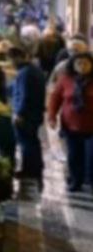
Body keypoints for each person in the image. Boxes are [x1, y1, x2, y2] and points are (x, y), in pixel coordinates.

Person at [48, 51, 93, 192]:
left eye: (86, 63)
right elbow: (55, 98)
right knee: (74, 156)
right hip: (70, 125)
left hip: (91, 126)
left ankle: (90, 181)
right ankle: (76, 181)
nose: (82, 66)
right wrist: (52, 116)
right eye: (79, 63)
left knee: (91, 156)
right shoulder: (65, 79)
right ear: (73, 65)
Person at [8, 47, 45, 184]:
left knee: (26, 143)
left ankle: (29, 171)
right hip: (35, 113)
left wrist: (19, 113)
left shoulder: (25, 73)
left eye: (11, 60)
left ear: (17, 58)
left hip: (27, 115)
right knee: (32, 141)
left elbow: (24, 95)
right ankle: (35, 168)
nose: (11, 63)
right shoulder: (34, 70)